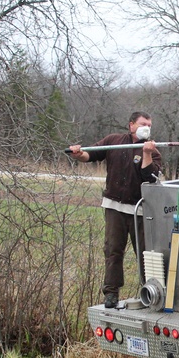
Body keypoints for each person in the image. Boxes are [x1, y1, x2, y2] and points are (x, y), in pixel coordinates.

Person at [68, 112, 162, 308]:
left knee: (145, 253)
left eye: (150, 125)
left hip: (140, 211)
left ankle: (151, 292)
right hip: (114, 208)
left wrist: (146, 153)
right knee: (113, 251)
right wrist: (78, 153)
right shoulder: (114, 141)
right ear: (131, 125)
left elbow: (150, 178)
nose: (147, 128)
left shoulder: (153, 151)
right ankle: (111, 293)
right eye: (143, 124)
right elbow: (89, 155)